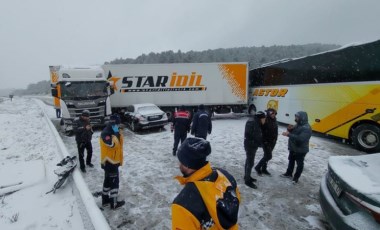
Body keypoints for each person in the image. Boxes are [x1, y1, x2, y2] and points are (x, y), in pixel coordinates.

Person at [172, 137, 240, 229]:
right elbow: (236, 200)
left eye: (181, 161)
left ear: (187, 165)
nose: (179, 164)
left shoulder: (183, 204)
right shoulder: (226, 176)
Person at [99, 114, 125, 209]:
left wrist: (117, 133)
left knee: (107, 181)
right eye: (118, 124)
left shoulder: (112, 130)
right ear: (114, 123)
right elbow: (113, 145)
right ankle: (113, 203)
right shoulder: (106, 133)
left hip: (112, 161)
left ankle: (105, 200)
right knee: (114, 182)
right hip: (110, 162)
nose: (118, 126)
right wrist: (116, 134)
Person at [281, 111, 312, 184]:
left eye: (297, 117)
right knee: (291, 161)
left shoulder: (306, 128)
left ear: (302, 118)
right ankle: (289, 173)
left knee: (299, 164)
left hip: (301, 150)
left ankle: (296, 178)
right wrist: (289, 129)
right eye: (296, 117)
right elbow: (294, 132)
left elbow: (301, 139)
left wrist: (288, 134)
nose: (295, 118)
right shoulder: (298, 124)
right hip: (293, 148)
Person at [243, 111, 266, 189]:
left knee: (248, 161)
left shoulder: (256, 122)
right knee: (250, 162)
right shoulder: (252, 123)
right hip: (250, 146)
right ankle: (247, 180)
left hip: (252, 145)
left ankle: (247, 176)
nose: (264, 120)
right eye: (264, 118)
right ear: (260, 118)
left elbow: (257, 135)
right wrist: (258, 143)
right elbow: (249, 136)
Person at [255, 108, 278, 176]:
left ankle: (264, 169)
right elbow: (259, 128)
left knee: (266, 156)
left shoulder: (274, 120)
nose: (273, 115)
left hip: (273, 141)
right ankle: (257, 167)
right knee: (268, 156)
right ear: (268, 113)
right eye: (272, 113)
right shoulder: (265, 119)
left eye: (274, 113)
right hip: (266, 141)